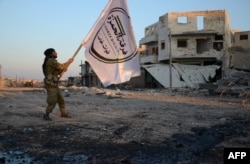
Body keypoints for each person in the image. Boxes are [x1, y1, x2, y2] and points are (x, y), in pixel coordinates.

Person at [42, 48, 74, 120]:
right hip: (51, 85)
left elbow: (58, 70)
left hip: (54, 84)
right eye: (55, 52)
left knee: (61, 100)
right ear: (51, 53)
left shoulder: (51, 61)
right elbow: (61, 66)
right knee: (52, 101)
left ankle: (63, 114)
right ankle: (46, 115)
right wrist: (69, 62)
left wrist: (63, 69)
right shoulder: (51, 61)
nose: (56, 53)